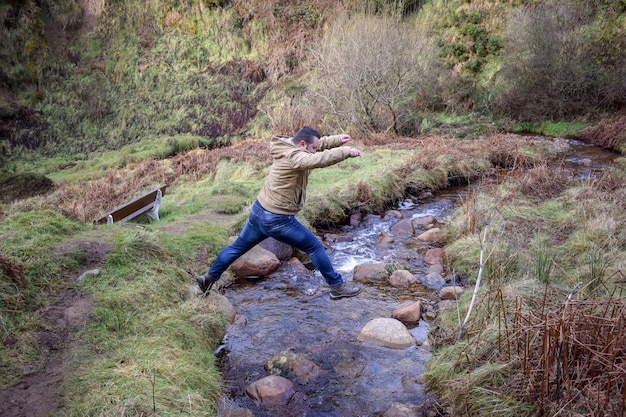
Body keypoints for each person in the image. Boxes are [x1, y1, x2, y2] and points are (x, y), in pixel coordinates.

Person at [197, 126, 362, 300]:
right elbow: (317, 159)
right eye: (313, 148)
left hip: (259, 210)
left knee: (237, 247)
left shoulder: (288, 146)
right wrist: (345, 151)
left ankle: (208, 279)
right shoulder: (295, 157)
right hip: (277, 219)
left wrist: (335, 140)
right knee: (314, 246)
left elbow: (312, 147)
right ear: (303, 144)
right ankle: (337, 286)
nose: (314, 151)